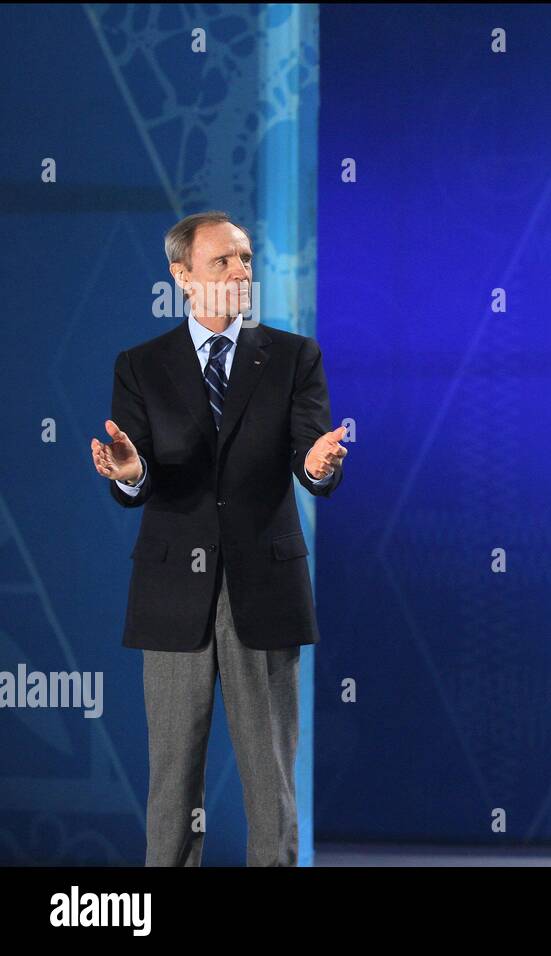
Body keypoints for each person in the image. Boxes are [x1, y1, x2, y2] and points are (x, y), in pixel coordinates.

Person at [90, 210, 348, 866]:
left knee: (271, 784)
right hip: (174, 593)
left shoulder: (293, 357)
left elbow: (308, 458)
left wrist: (317, 466)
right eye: (222, 261)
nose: (240, 272)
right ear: (182, 276)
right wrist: (130, 472)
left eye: (245, 259)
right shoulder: (140, 366)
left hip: (265, 588)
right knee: (172, 782)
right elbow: (138, 471)